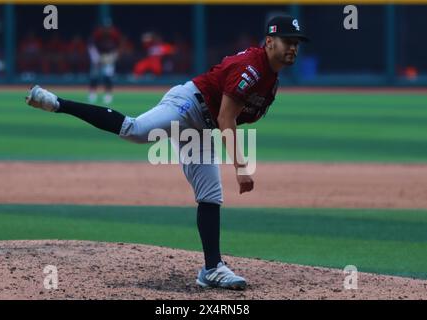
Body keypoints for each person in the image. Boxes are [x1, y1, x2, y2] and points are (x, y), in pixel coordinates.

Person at [25, 14, 308, 290]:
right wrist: (242, 167)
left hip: (202, 125)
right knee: (134, 130)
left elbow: (229, 118)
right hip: (186, 104)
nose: (293, 47)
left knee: (210, 194)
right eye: (287, 41)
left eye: (297, 42)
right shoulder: (252, 69)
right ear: (270, 41)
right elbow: (226, 118)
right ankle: (57, 103)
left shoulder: (271, 81)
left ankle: (212, 269)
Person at [88, 21, 122, 105]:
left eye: (108, 28)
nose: (107, 30)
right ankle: (92, 94)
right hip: (98, 54)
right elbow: (91, 45)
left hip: (109, 55)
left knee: (108, 76)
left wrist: (114, 56)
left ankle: (108, 95)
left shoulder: (114, 33)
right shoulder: (97, 33)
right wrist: (95, 58)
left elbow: (118, 46)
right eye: (105, 28)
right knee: (94, 76)